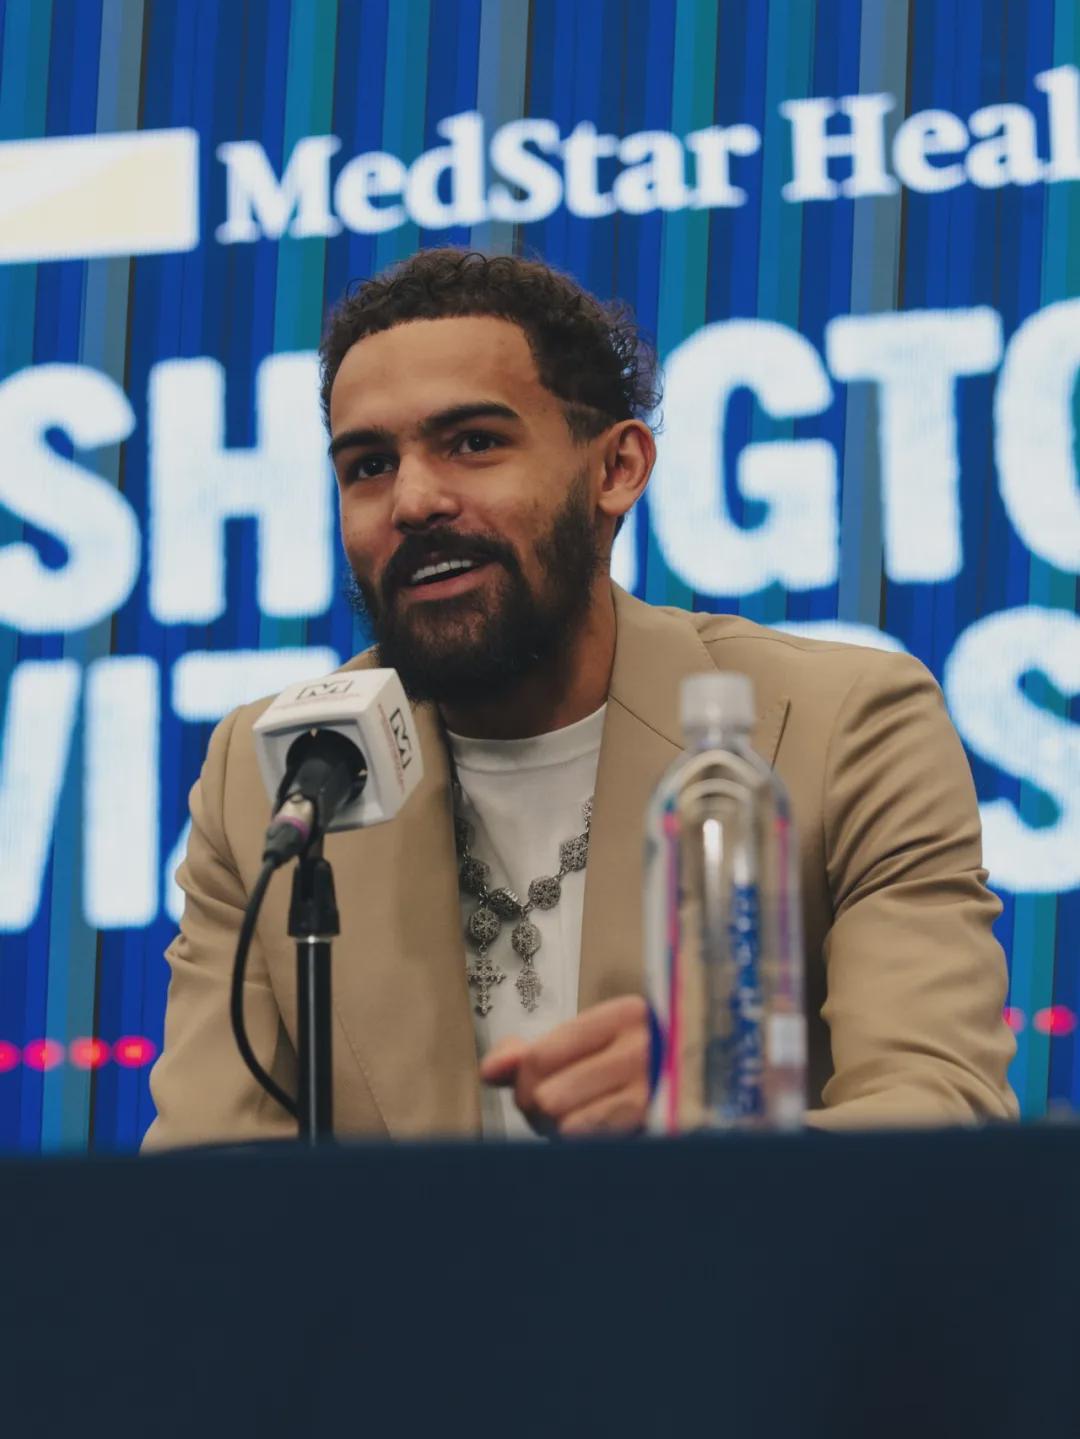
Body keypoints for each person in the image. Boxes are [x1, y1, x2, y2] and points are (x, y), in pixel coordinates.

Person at [142, 248, 1018, 1149]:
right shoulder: (278, 779)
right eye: (368, 465)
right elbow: (201, 1187)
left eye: (473, 443)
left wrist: (716, 1126)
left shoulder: (845, 728)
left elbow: (941, 1118)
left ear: (617, 468)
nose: (413, 500)